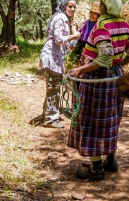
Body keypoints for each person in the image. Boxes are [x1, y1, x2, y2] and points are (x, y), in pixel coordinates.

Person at [67, 0, 129, 181]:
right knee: (111, 119)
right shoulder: (124, 25)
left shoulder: (101, 27)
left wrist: (79, 70)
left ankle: (97, 169)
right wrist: (118, 66)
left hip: (96, 81)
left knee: (91, 120)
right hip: (114, 79)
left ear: (104, 7)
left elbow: (104, 59)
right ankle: (111, 161)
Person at [39, 0, 81, 128]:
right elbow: (58, 39)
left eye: (74, 7)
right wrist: (74, 36)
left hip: (55, 58)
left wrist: (74, 38)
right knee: (54, 88)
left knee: (53, 87)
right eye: (70, 6)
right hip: (52, 58)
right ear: (64, 6)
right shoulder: (61, 18)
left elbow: (66, 45)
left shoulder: (65, 20)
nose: (72, 9)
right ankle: (50, 119)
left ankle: (47, 114)